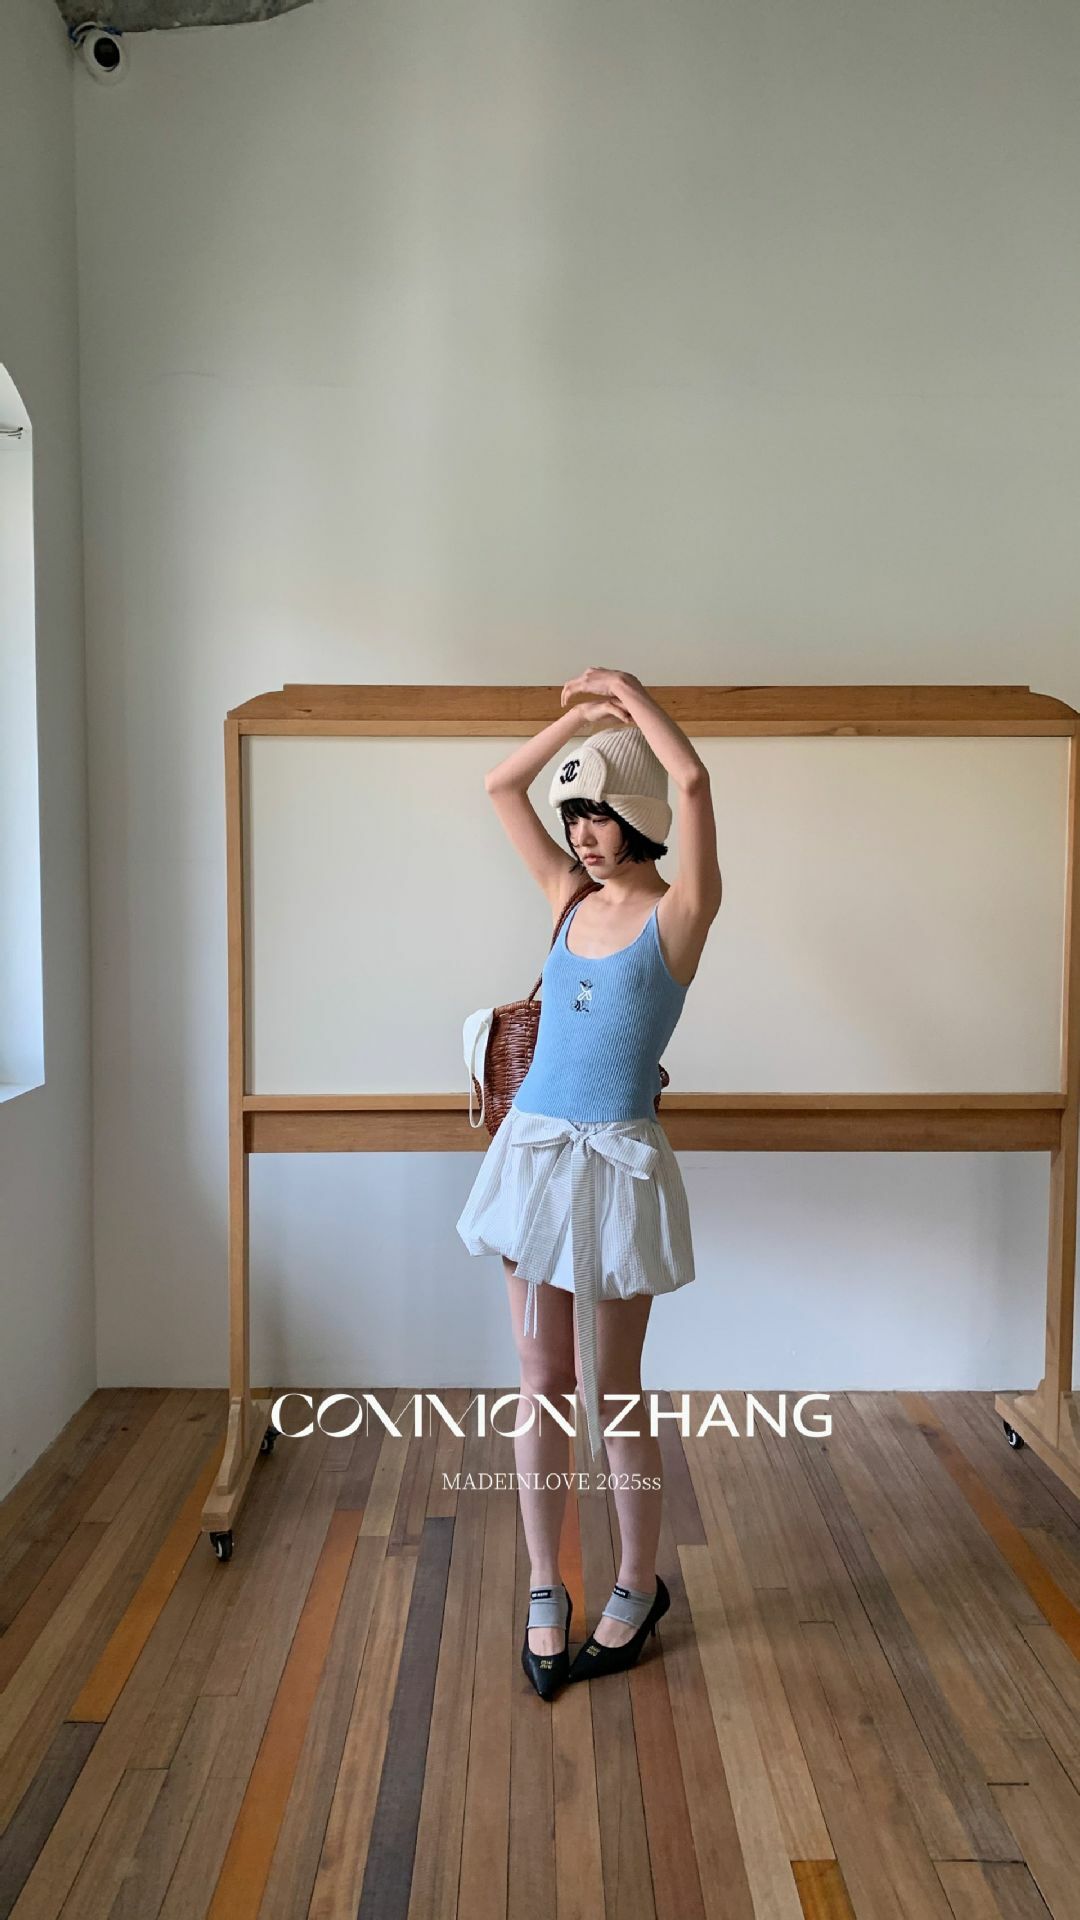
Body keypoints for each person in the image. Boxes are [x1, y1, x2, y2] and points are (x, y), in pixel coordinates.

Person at [456, 667, 722, 1698]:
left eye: (599, 813)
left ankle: (636, 1582)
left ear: (639, 818)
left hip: (615, 1168)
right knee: (541, 1384)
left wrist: (633, 697)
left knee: (614, 1392)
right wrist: (575, 720)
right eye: (574, 815)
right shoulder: (568, 900)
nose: (581, 832)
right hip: (531, 1161)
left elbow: (693, 780)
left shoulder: (680, 914)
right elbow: (498, 787)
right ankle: (542, 1583)